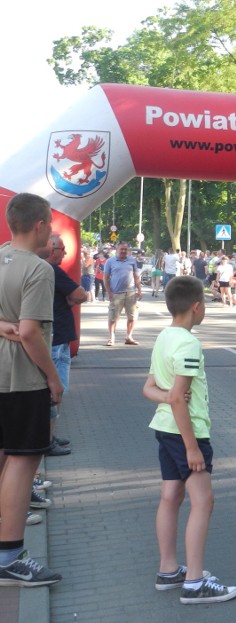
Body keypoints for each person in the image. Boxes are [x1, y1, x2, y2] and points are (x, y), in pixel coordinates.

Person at [142, 276, 236, 603]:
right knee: (203, 502)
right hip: (187, 432)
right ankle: (195, 583)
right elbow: (179, 398)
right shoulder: (188, 344)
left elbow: (149, 389)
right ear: (197, 307)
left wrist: (169, 398)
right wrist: (192, 446)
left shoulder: (164, 337)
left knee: (171, 495)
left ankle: (168, 570)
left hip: (164, 428)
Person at [0, 192, 64, 587]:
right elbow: (29, 332)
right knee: (23, 462)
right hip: (22, 378)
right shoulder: (39, 269)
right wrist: (53, 379)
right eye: (51, 225)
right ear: (40, 225)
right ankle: (10, 554)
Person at [40, 234, 87, 456]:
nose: (66, 253)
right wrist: (71, 300)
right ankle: (47, 440)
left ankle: (48, 435)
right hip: (56, 341)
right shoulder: (52, 270)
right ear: (53, 249)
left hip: (53, 337)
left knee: (52, 393)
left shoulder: (40, 270)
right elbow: (80, 294)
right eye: (63, 249)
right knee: (56, 392)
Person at [104, 241, 143, 346]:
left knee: (132, 316)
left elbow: (136, 276)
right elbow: (106, 278)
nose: (123, 251)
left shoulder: (132, 260)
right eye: (121, 249)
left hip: (131, 293)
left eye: (125, 249)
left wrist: (139, 290)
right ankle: (111, 337)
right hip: (116, 293)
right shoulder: (110, 261)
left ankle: (129, 336)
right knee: (113, 317)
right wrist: (109, 292)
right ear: (117, 249)